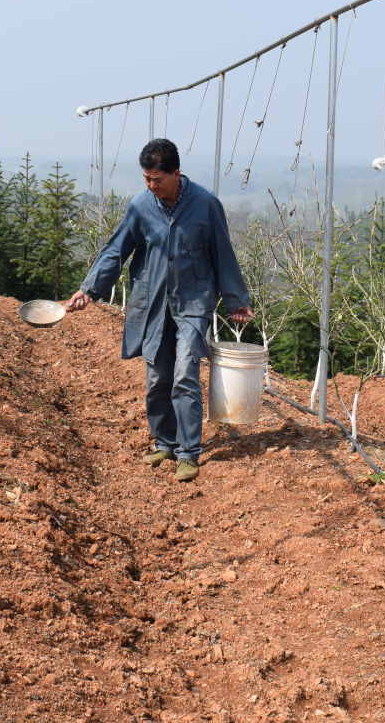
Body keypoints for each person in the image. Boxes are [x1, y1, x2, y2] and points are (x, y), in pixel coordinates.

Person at [67, 138, 252, 482]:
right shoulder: (141, 206)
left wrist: (236, 300)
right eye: (146, 179)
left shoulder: (206, 204)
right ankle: (165, 442)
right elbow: (115, 250)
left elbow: (223, 252)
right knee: (157, 378)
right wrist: (89, 289)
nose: (151, 185)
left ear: (176, 174)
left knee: (185, 375)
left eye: (157, 179)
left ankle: (188, 452)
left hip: (193, 303)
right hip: (152, 304)